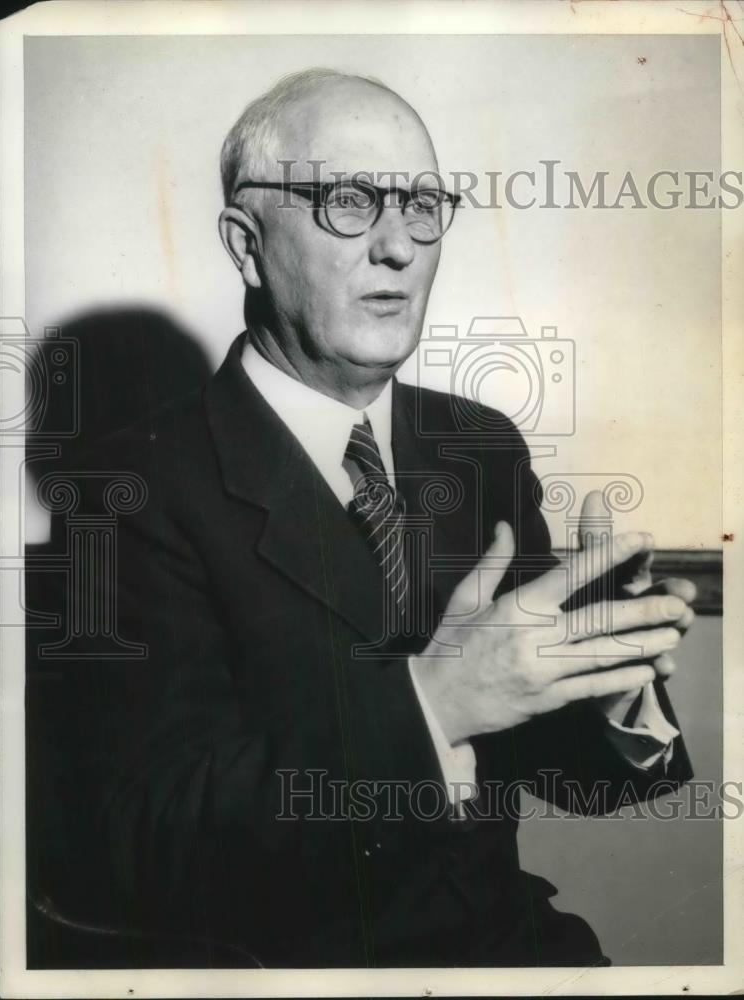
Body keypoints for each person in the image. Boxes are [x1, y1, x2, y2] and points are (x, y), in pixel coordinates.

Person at [64, 68, 695, 968]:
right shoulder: (127, 487)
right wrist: (433, 706)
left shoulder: (477, 441)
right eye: (350, 202)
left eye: (423, 204)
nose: (399, 246)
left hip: (512, 954)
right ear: (246, 244)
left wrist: (610, 682)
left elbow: (561, 769)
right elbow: (146, 840)